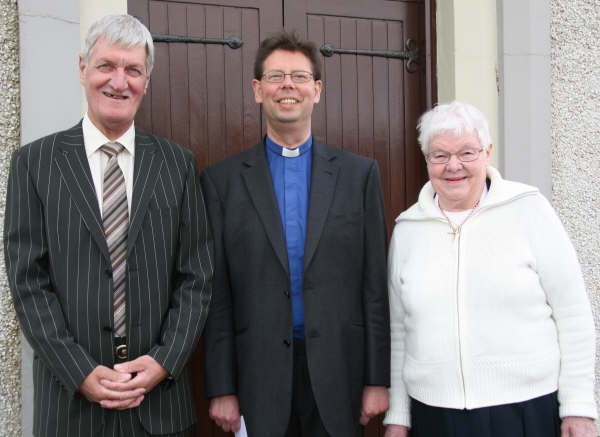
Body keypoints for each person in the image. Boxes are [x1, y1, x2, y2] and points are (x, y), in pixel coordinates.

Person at [3, 14, 213, 437]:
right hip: (70, 409)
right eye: (106, 66)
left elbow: (197, 276)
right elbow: (28, 283)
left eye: (133, 70)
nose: (119, 81)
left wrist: (164, 361)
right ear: (83, 68)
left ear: (146, 80)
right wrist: (78, 370)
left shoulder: (178, 164)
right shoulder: (35, 164)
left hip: (159, 408)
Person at [201, 30, 390, 437]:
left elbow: (374, 286)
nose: (288, 86)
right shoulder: (222, 182)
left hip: (339, 375)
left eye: (300, 77)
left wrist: (377, 380)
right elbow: (217, 294)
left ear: (317, 90)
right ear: (257, 90)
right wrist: (222, 388)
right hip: (257, 378)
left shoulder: (359, 176)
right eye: (275, 76)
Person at [383, 101, 597, 437]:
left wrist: (579, 408)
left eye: (467, 153)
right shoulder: (408, 228)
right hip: (434, 414)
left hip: (525, 410)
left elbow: (573, 315)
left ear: (488, 152)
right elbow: (399, 331)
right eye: (440, 155)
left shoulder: (529, 209)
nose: (454, 165)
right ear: (426, 160)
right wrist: (399, 414)